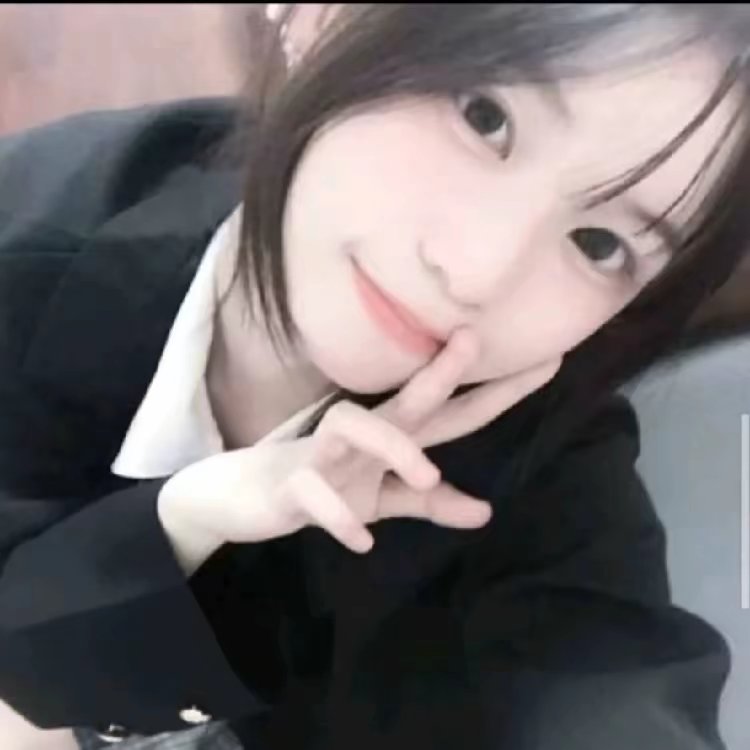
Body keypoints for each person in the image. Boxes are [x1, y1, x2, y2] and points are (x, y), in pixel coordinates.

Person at [1, 4, 749, 749]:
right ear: (317, 16)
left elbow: (606, 675)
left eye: (600, 245)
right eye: (483, 117)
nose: (475, 271)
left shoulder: (539, 451)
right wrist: (181, 524)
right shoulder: (28, 241)